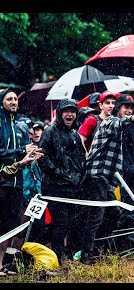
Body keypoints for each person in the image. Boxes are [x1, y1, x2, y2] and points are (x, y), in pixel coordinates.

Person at [79, 94, 134, 265]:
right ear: (118, 108)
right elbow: (121, 122)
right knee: (96, 216)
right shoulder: (110, 122)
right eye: (125, 108)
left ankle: (99, 249)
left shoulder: (121, 127)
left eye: (131, 108)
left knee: (114, 214)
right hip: (95, 176)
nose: (128, 111)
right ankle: (86, 254)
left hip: (105, 180)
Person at [37, 99, 86, 263]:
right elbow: (42, 158)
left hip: (72, 187)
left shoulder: (74, 134)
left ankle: (64, 253)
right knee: (61, 222)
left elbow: (81, 159)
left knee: (71, 222)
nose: (70, 114)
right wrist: (60, 174)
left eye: (73, 111)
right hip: (54, 187)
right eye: (66, 111)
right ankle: (56, 257)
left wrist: (78, 177)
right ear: (59, 113)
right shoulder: (50, 132)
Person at [0, 88, 38, 276]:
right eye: (9, 99)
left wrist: (32, 155)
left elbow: (24, 152)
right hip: (2, 181)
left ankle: (2, 265)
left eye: (15, 99)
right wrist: (20, 151)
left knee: (11, 225)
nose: (14, 102)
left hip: (17, 183)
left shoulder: (21, 126)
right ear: (2, 102)